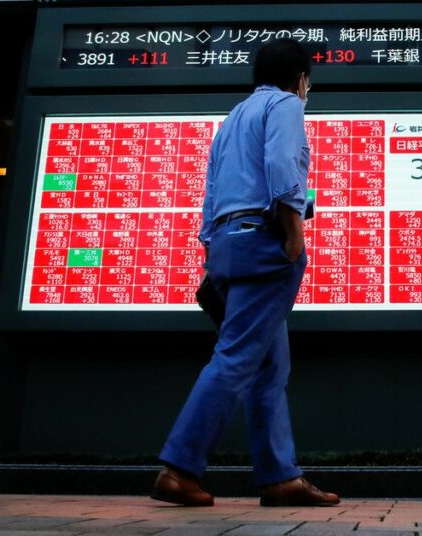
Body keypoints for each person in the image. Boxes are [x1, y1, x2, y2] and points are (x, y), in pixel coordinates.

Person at [150, 38, 338, 508]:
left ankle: (280, 477)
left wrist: (212, 252)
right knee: (235, 357)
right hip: (264, 242)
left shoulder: (233, 118)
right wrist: (294, 234)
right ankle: (179, 467)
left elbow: (211, 191)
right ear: (301, 81)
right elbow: (280, 165)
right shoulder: (287, 105)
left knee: (270, 365)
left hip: (228, 246)